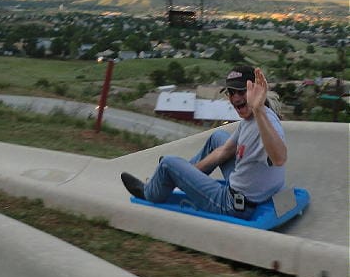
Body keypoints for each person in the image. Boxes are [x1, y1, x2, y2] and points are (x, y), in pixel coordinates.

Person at [121, 66, 287, 219]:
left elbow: (279, 158)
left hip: (234, 205)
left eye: (242, 91)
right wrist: (187, 172)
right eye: (231, 92)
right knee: (218, 137)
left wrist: (257, 109)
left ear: (256, 91)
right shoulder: (252, 119)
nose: (235, 97)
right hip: (260, 191)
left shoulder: (263, 121)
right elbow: (224, 151)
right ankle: (180, 176)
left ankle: (150, 192)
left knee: (167, 163)